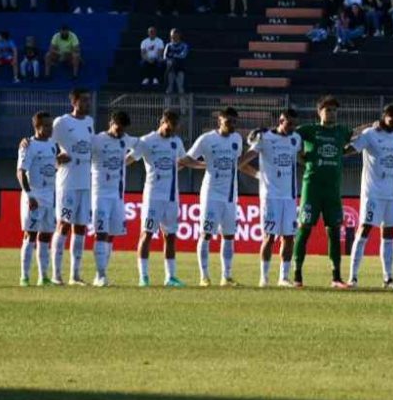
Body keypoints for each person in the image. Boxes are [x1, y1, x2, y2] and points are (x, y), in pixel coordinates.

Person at [293, 96, 356, 288]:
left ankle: (336, 277)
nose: (331, 113)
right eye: (327, 110)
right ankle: (297, 276)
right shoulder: (309, 130)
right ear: (319, 112)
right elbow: (288, 137)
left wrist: (374, 125)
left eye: (334, 110)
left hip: (333, 189)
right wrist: (300, 157)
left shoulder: (341, 131)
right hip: (311, 187)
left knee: (335, 231)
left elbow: (357, 135)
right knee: (304, 228)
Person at [240, 108, 304, 287]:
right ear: (281, 121)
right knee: (269, 237)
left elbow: (301, 158)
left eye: (294, 124)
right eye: (288, 123)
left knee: (289, 237)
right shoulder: (265, 139)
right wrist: (258, 175)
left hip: (290, 196)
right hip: (271, 196)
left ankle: (283, 277)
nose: (291, 127)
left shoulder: (296, 139)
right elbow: (242, 163)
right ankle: (264, 277)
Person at [183, 107, 244, 287]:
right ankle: (204, 276)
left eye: (234, 122)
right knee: (206, 234)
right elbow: (186, 159)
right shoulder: (207, 139)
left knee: (229, 236)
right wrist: (203, 165)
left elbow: (236, 163)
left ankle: (226, 276)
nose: (232, 125)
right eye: (228, 122)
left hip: (231, 196)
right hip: (211, 195)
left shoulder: (237, 139)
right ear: (220, 120)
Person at [348, 104, 393, 288]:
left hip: (392, 194)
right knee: (364, 230)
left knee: (389, 234)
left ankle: (388, 278)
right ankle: (353, 277)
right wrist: (364, 126)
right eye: (391, 118)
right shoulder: (370, 134)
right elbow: (349, 147)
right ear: (384, 116)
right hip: (372, 193)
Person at [128, 110, 188, 287]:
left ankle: (170, 277)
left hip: (171, 197)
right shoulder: (147, 140)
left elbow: (183, 162)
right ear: (164, 121)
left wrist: (204, 165)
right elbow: (131, 158)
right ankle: (144, 277)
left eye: (178, 125)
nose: (176, 128)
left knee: (170, 236)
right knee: (146, 234)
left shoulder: (176, 142)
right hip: (153, 195)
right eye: (173, 124)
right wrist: (116, 167)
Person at [51, 88, 96, 286]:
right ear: (74, 102)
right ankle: (55, 274)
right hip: (67, 181)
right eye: (84, 100)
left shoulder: (89, 122)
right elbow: (46, 143)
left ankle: (75, 275)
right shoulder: (61, 122)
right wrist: (55, 159)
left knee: (81, 227)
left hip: (85, 182)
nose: (88, 104)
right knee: (63, 225)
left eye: (89, 100)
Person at [89, 111, 137, 288]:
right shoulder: (97, 140)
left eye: (123, 130)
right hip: (100, 195)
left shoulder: (126, 139)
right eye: (118, 128)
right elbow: (76, 148)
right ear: (111, 123)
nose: (120, 133)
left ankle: (103, 274)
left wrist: (128, 160)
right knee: (101, 233)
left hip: (117, 196)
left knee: (111, 236)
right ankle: (99, 275)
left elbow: (142, 146)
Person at [17, 111, 59, 286]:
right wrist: (29, 195)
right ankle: (24, 277)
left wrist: (59, 162)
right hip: (34, 194)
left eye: (51, 125)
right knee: (30, 235)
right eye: (47, 126)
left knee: (45, 236)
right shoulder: (28, 145)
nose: (50, 129)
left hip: (49, 194)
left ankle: (44, 277)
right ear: (37, 127)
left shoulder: (52, 145)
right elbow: (20, 172)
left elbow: (50, 168)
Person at [163, 28, 188, 94]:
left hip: (180, 69)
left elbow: (183, 55)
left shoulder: (184, 45)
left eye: (175, 35)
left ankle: (182, 104)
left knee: (180, 88)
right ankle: (167, 104)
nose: (174, 37)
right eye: (172, 35)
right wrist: (170, 59)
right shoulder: (168, 45)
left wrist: (172, 55)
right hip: (170, 69)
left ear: (179, 35)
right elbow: (165, 57)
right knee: (169, 88)